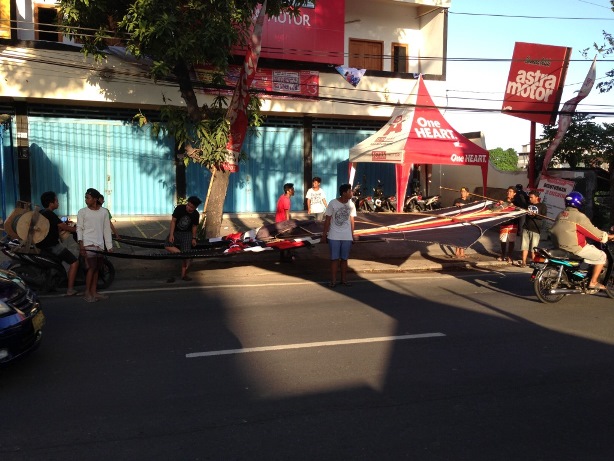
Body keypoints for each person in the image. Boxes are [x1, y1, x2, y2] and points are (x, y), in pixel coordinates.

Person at [550, 191, 614, 291]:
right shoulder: (579, 217)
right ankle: (593, 282)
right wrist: (607, 236)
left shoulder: (560, 214)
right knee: (602, 256)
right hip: (574, 247)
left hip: (558, 246)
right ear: (579, 203)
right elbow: (594, 233)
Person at [36, 191, 79, 296]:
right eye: (56, 201)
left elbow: (57, 226)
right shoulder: (49, 213)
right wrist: (76, 230)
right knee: (74, 262)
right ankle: (70, 290)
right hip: (52, 246)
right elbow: (63, 226)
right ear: (51, 203)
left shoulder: (42, 212)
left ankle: (54, 282)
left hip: (43, 246)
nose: (58, 203)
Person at [77, 188, 113, 303]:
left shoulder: (104, 212)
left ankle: (94, 292)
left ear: (95, 199)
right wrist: (81, 245)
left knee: (97, 268)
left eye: (88, 197)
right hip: (88, 243)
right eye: (85, 197)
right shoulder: (82, 212)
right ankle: (87, 292)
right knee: (91, 268)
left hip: (100, 245)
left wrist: (109, 245)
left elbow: (106, 229)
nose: (86, 200)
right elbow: (79, 229)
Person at [321, 183, 358, 287]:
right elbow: (327, 220)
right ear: (344, 193)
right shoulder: (333, 203)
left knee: (344, 259)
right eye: (350, 191)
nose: (352, 193)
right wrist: (324, 235)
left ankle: (344, 280)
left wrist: (352, 235)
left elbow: (352, 220)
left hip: (347, 236)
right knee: (334, 259)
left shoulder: (351, 204)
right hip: (334, 236)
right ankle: (333, 280)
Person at [165, 195, 202, 282]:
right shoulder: (179, 208)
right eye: (188, 205)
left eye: (191, 207)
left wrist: (193, 238)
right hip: (176, 232)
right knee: (167, 245)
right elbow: (173, 221)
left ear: (195, 208)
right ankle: (184, 255)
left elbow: (194, 227)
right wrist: (171, 235)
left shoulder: (196, 215)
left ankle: (183, 275)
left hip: (187, 234)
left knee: (186, 253)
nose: (188, 208)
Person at [517, 190, 547, 267]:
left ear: (537, 198)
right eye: (529, 197)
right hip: (526, 228)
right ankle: (523, 262)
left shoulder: (542, 206)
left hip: (536, 229)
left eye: (531, 197)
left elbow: (543, 217)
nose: (530, 199)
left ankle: (534, 262)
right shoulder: (528, 204)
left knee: (534, 248)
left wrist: (535, 215)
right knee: (524, 246)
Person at [497, 186, 518, 263]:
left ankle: (510, 256)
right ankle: (503, 255)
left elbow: (521, 209)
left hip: (513, 223)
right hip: (504, 223)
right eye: (508, 191)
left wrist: (514, 206)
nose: (509, 193)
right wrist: (499, 203)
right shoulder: (503, 200)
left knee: (511, 240)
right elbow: (497, 208)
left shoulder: (516, 201)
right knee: (503, 240)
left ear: (514, 193)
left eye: (511, 191)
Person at [452, 187, 471, 258]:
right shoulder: (457, 200)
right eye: (461, 191)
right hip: (458, 220)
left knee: (463, 236)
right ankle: (457, 252)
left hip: (465, 220)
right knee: (458, 236)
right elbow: (453, 207)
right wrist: (456, 205)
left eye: (464, 191)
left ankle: (462, 252)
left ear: (467, 193)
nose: (462, 193)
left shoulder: (469, 202)